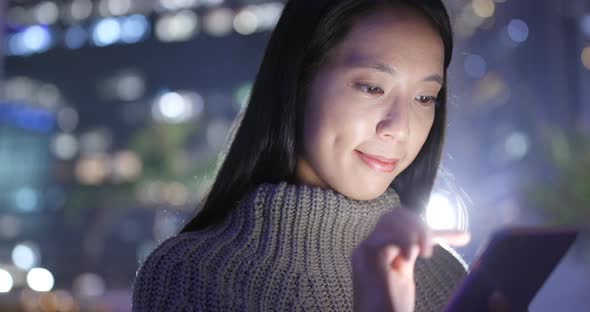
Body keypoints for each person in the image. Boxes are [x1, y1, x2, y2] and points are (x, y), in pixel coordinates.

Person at [132, 0, 478, 311]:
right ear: (298, 79)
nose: (400, 128)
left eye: (425, 97)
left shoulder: (448, 276)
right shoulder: (194, 276)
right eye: (372, 87)